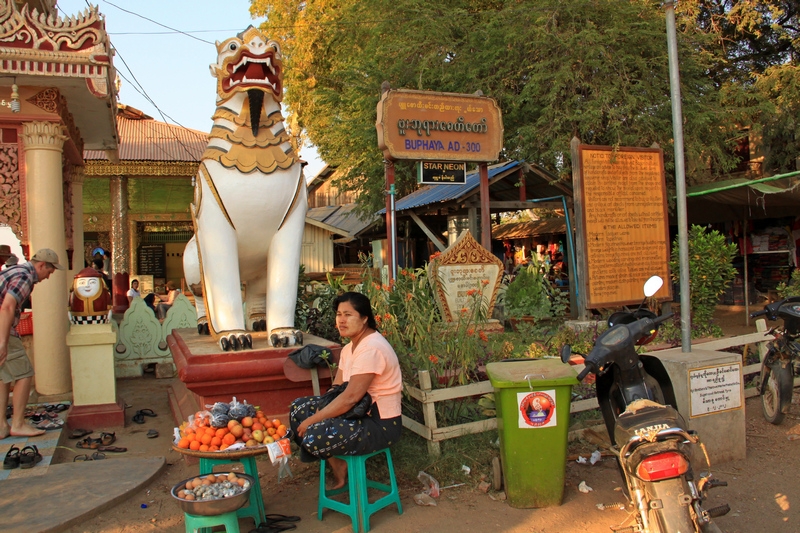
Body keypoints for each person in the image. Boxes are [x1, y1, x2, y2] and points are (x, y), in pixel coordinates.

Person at [289, 291, 402, 489]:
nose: (341, 320)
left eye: (348, 315)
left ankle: (340, 466)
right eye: (339, 314)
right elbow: (337, 389)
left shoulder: (371, 348)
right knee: (298, 409)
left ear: (365, 318)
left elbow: (350, 397)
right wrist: (318, 411)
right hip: (356, 414)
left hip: (379, 424)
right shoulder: (350, 348)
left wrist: (314, 419)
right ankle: (338, 465)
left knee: (313, 432)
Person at [0, 248, 65, 439]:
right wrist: (4, 342)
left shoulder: (14, 272)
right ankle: (18, 423)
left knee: (5, 376)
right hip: (2, 328)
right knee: (24, 374)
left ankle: (2, 424)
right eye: (49, 271)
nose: (49, 276)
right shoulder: (25, 276)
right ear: (41, 265)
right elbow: (7, 307)